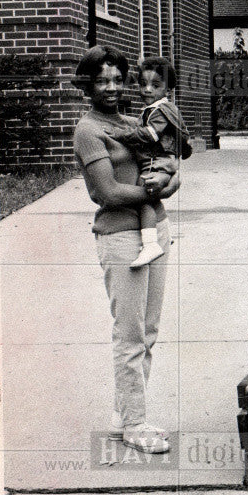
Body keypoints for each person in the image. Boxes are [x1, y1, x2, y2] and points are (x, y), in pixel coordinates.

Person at [72, 45, 180, 454]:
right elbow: (108, 192)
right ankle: (135, 424)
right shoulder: (88, 129)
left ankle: (125, 414)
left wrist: (167, 183)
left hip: (157, 232)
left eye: (118, 78)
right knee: (130, 333)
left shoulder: (136, 121)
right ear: (88, 84)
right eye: (102, 80)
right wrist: (152, 194)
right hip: (121, 239)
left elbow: (172, 171)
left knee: (148, 331)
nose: (112, 87)